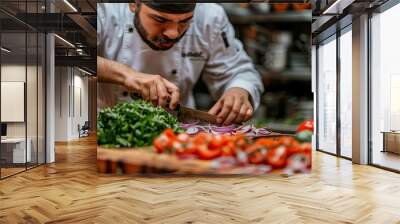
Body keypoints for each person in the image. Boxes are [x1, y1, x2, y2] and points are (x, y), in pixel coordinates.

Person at [97, 2, 264, 125]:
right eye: (160, 20)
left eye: (185, 22)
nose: (173, 33)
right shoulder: (102, 9)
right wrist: (126, 75)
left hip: (178, 134)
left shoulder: (210, 17)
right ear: (133, 4)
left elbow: (239, 71)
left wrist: (239, 89)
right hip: (104, 133)